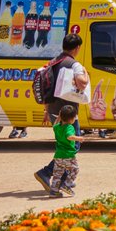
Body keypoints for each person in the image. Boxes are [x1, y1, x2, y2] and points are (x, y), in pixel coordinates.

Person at [34, 33, 88, 191]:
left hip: (52, 110)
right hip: (68, 112)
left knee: (63, 144)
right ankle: (47, 172)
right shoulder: (74, 64)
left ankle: (62, 180)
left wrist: (46, 111)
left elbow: (46, 87)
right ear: (77, 48)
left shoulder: (53, 61)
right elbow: (82, 83)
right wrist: (85, 73)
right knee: (73, 144)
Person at [48, 104, 87, 197]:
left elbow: (54, 125)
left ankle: (54, 191)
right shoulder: (69, 127)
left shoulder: (57, 127)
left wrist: (59, 117)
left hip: (58, 155)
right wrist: (79, 138)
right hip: (68, 155)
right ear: (72, 118)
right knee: (75, 170)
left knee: (57, 174)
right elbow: (69, 136)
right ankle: (66, 184)